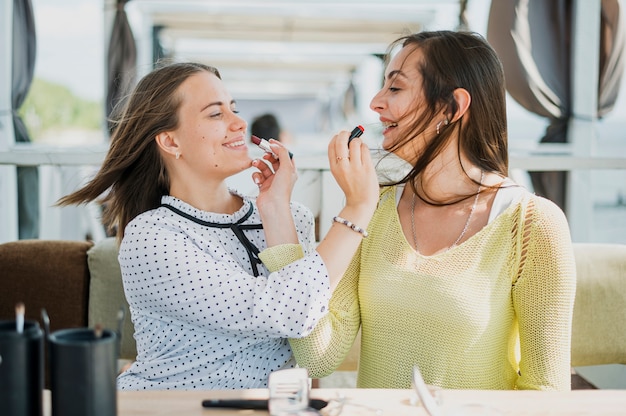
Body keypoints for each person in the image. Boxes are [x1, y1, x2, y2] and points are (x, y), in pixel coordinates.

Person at [57, 62, 380, 390]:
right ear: (170, 142)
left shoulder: (290, 214)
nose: (239, 123)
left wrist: (276, 211)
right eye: (216, 114)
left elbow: (311, 349)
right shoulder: (152, 237)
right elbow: (288, 309)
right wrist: (358, 208)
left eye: (234, 109)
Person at [289, 31, 577, 391]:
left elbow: (545, 393)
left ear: (452, 107)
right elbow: (319, 357)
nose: (376, 103)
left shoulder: (532, 224)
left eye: (395, 89)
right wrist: (278, 216)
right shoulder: (372, 209)